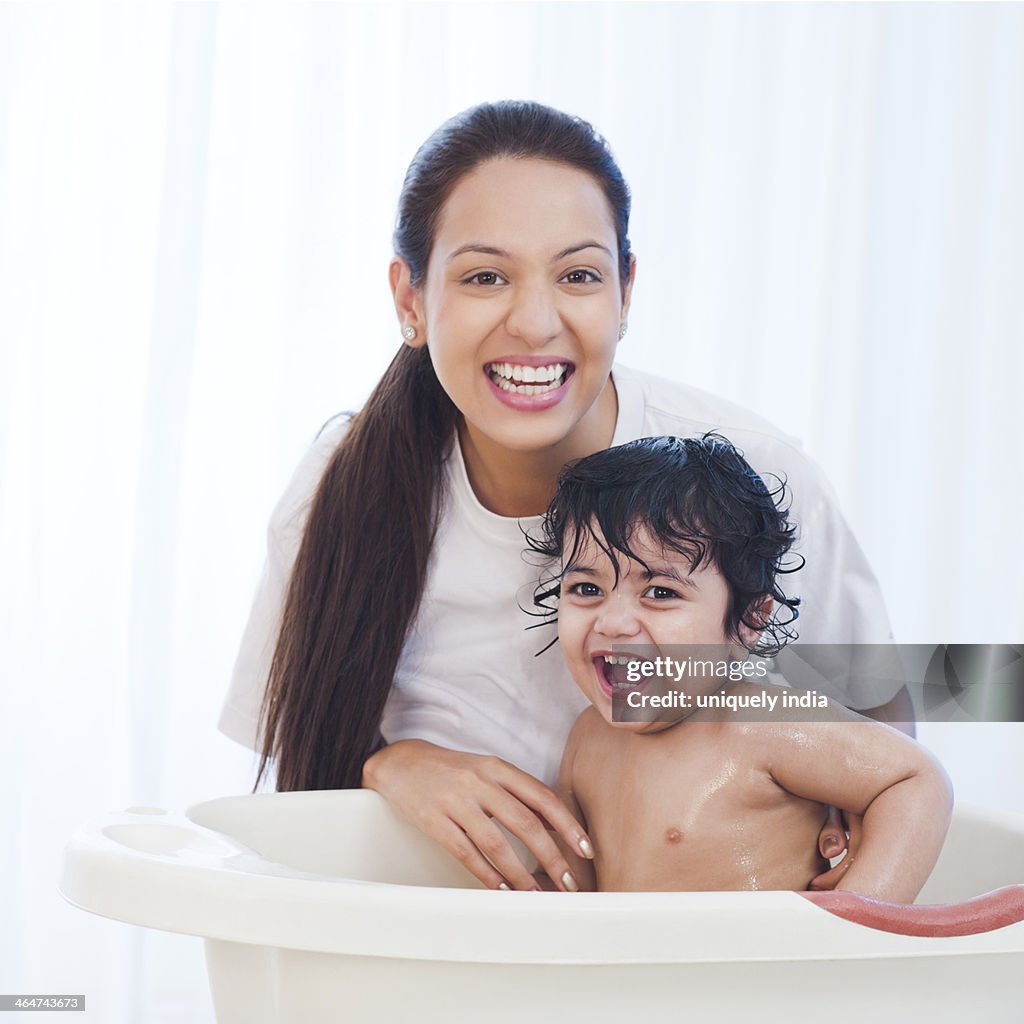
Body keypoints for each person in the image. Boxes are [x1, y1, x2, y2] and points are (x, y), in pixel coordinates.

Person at [218, 99, 913, 894]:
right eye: (485, 276)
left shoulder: (749, 471)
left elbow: (886, 713)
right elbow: (294, 768)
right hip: (427, 945)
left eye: (579, 275)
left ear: (626, 290)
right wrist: (393, 765)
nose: (536, 321)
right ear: (410, 301)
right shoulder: (340, 489)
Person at [528, 434, 951, 900]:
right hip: (639, 971)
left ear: (749, 620)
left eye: (661, 593)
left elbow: (915, 779)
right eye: (587, 589)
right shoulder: (587, 739)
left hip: (758, 971)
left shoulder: (763, 725)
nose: (613, 622)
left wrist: (857, 922)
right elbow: (573, 882)